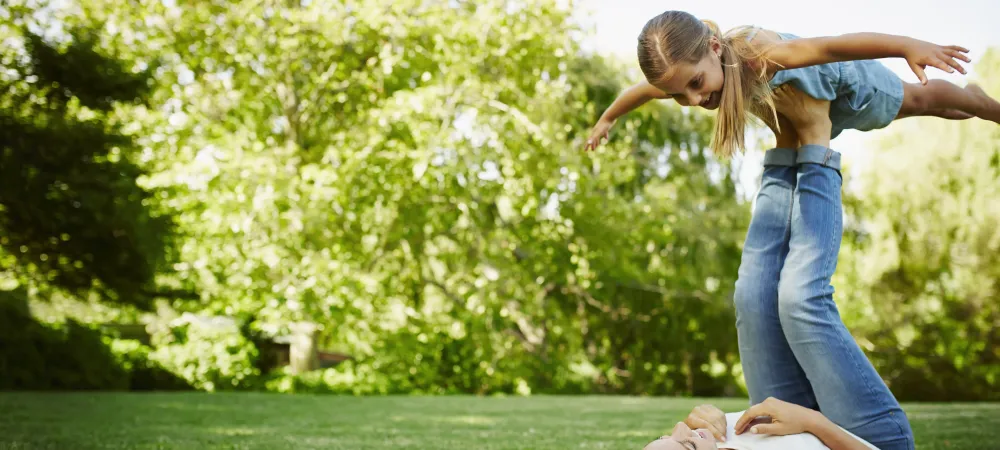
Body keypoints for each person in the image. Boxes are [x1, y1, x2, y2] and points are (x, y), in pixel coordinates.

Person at [583, 11, 999, 157]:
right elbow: (637, 91)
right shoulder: (689, 75)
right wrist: (606, 119)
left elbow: (833, 48)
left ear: (713, 48)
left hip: (846, 85)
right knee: (942, 112)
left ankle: (983, 103)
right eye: (679, 96)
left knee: (925, 100)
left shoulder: (757, 55)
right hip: (826, 111)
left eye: (695, 84)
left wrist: (908, 45)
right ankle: (972, 105)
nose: (694, 99)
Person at [643, 398, 879, 450]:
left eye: (664, 437)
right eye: (687, 446)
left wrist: (701, 424)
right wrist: (810, 419)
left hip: (784, 404)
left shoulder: (712, 439)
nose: (680, 426)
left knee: (751, 300)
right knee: (799, 302)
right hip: (864, 432)